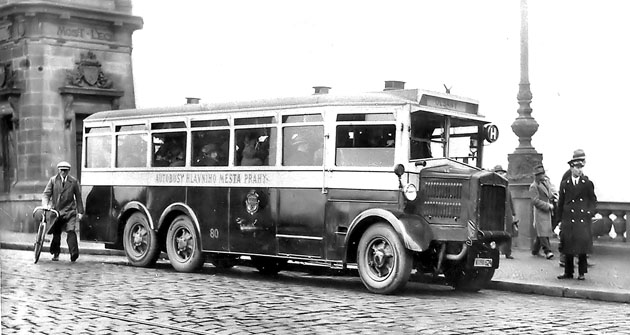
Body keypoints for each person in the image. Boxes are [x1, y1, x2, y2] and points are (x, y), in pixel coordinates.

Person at [557, 149, 597, 281]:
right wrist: (558, 221)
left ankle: (581, 272)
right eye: (576, 167)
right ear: (571, 168)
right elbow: (561, 203)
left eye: (580, 167)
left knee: (581, 248)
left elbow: (592, 200)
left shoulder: (587, 183)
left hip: (582, 220)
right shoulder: (565, 184)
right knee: (568, 246)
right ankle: (568, 272)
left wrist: (590, 212)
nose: (579, 170)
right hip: (568, 219)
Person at [42, 161, 84, 262]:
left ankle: (74, 254)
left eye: (65, 170)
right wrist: (46, 205)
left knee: (71, 231)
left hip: (70, 211)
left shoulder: (73, 182)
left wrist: (80, 212)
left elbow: (78, 197)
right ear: (58, 170)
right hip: (57, 212)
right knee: (56, 233)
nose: (63, 172)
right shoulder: (53, 180)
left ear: (68, 171)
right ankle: (55, 253)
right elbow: (46, 194)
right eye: (61, 170)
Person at [529, 164, 555, 260]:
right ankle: (548, 251)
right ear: (537, 176)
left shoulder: (545, 183)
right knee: (543, 232)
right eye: (541, 174)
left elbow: (549, 194)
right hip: (540, 212)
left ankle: (535, 250)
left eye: (543, 173)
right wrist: (548, 206)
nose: (543, 175)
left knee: (542, 232)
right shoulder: (533, 186)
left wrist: (553, 196)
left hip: (546, 212)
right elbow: (535, 201)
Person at [492, 165, 517, 259]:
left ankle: (508, 252)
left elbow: (510, 200)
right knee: (496, 233)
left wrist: (514, 213)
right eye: (499, 173)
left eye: (502, 173)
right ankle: (496, 251)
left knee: (508, 233)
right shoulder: (492, 185)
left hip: (507, 213)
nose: (502, 174)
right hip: (497, 213)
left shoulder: (506, 185)